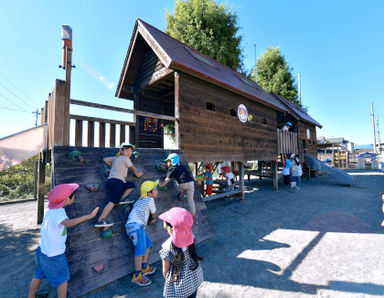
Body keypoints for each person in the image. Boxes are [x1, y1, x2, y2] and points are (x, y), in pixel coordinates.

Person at [28, 184, 99, 298]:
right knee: (63, 280)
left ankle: (30, 296)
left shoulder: (51, 211)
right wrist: (87, 217)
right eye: (73, 196)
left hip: (42, 251)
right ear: (67, 199)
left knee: (38, 274)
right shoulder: (59, 212)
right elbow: (69, 223)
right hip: (54, 255)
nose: (74, 197)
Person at [95, 142, 143, 228]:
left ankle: (121, 199)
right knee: (112, 202)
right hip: (117, 181)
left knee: (131, 185)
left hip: (113, 181)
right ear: (121, 150)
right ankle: (100, 220)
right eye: (127, 150)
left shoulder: (116, 158)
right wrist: (137, 174)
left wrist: (113, 166)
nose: (129, 152)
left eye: (131, 151)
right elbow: (133, 167)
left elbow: (105, 159)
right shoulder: (125, 158)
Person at [159, 207, 204, 298]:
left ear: (171, 229)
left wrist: (169, 282)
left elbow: (165, 271)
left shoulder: (167, 247)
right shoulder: (191, 237)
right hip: (194, 279)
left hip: (179, 286)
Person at [125, 180, 158, 286]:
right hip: (136, 226)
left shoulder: (139, 201)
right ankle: (137, 275)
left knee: (148, 244)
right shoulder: (149, 199)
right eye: (155, 189)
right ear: (149, 193)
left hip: (134, 226)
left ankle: (144, 267)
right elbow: (153, 214)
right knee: (140, 250)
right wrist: (154, 218)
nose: (157, 190)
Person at [159, 153, 198, 223]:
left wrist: (161, 185)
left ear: (171, 161)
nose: (167, 162)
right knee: (191, 200)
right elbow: (176, 169)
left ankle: (181, 192)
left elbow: (167, 180)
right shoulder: (180, 165)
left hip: (182, 184)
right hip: (191, 183)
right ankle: (194, 216)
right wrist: (166, 165)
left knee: (174, 180)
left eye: (168, 161)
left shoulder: (172, 168)